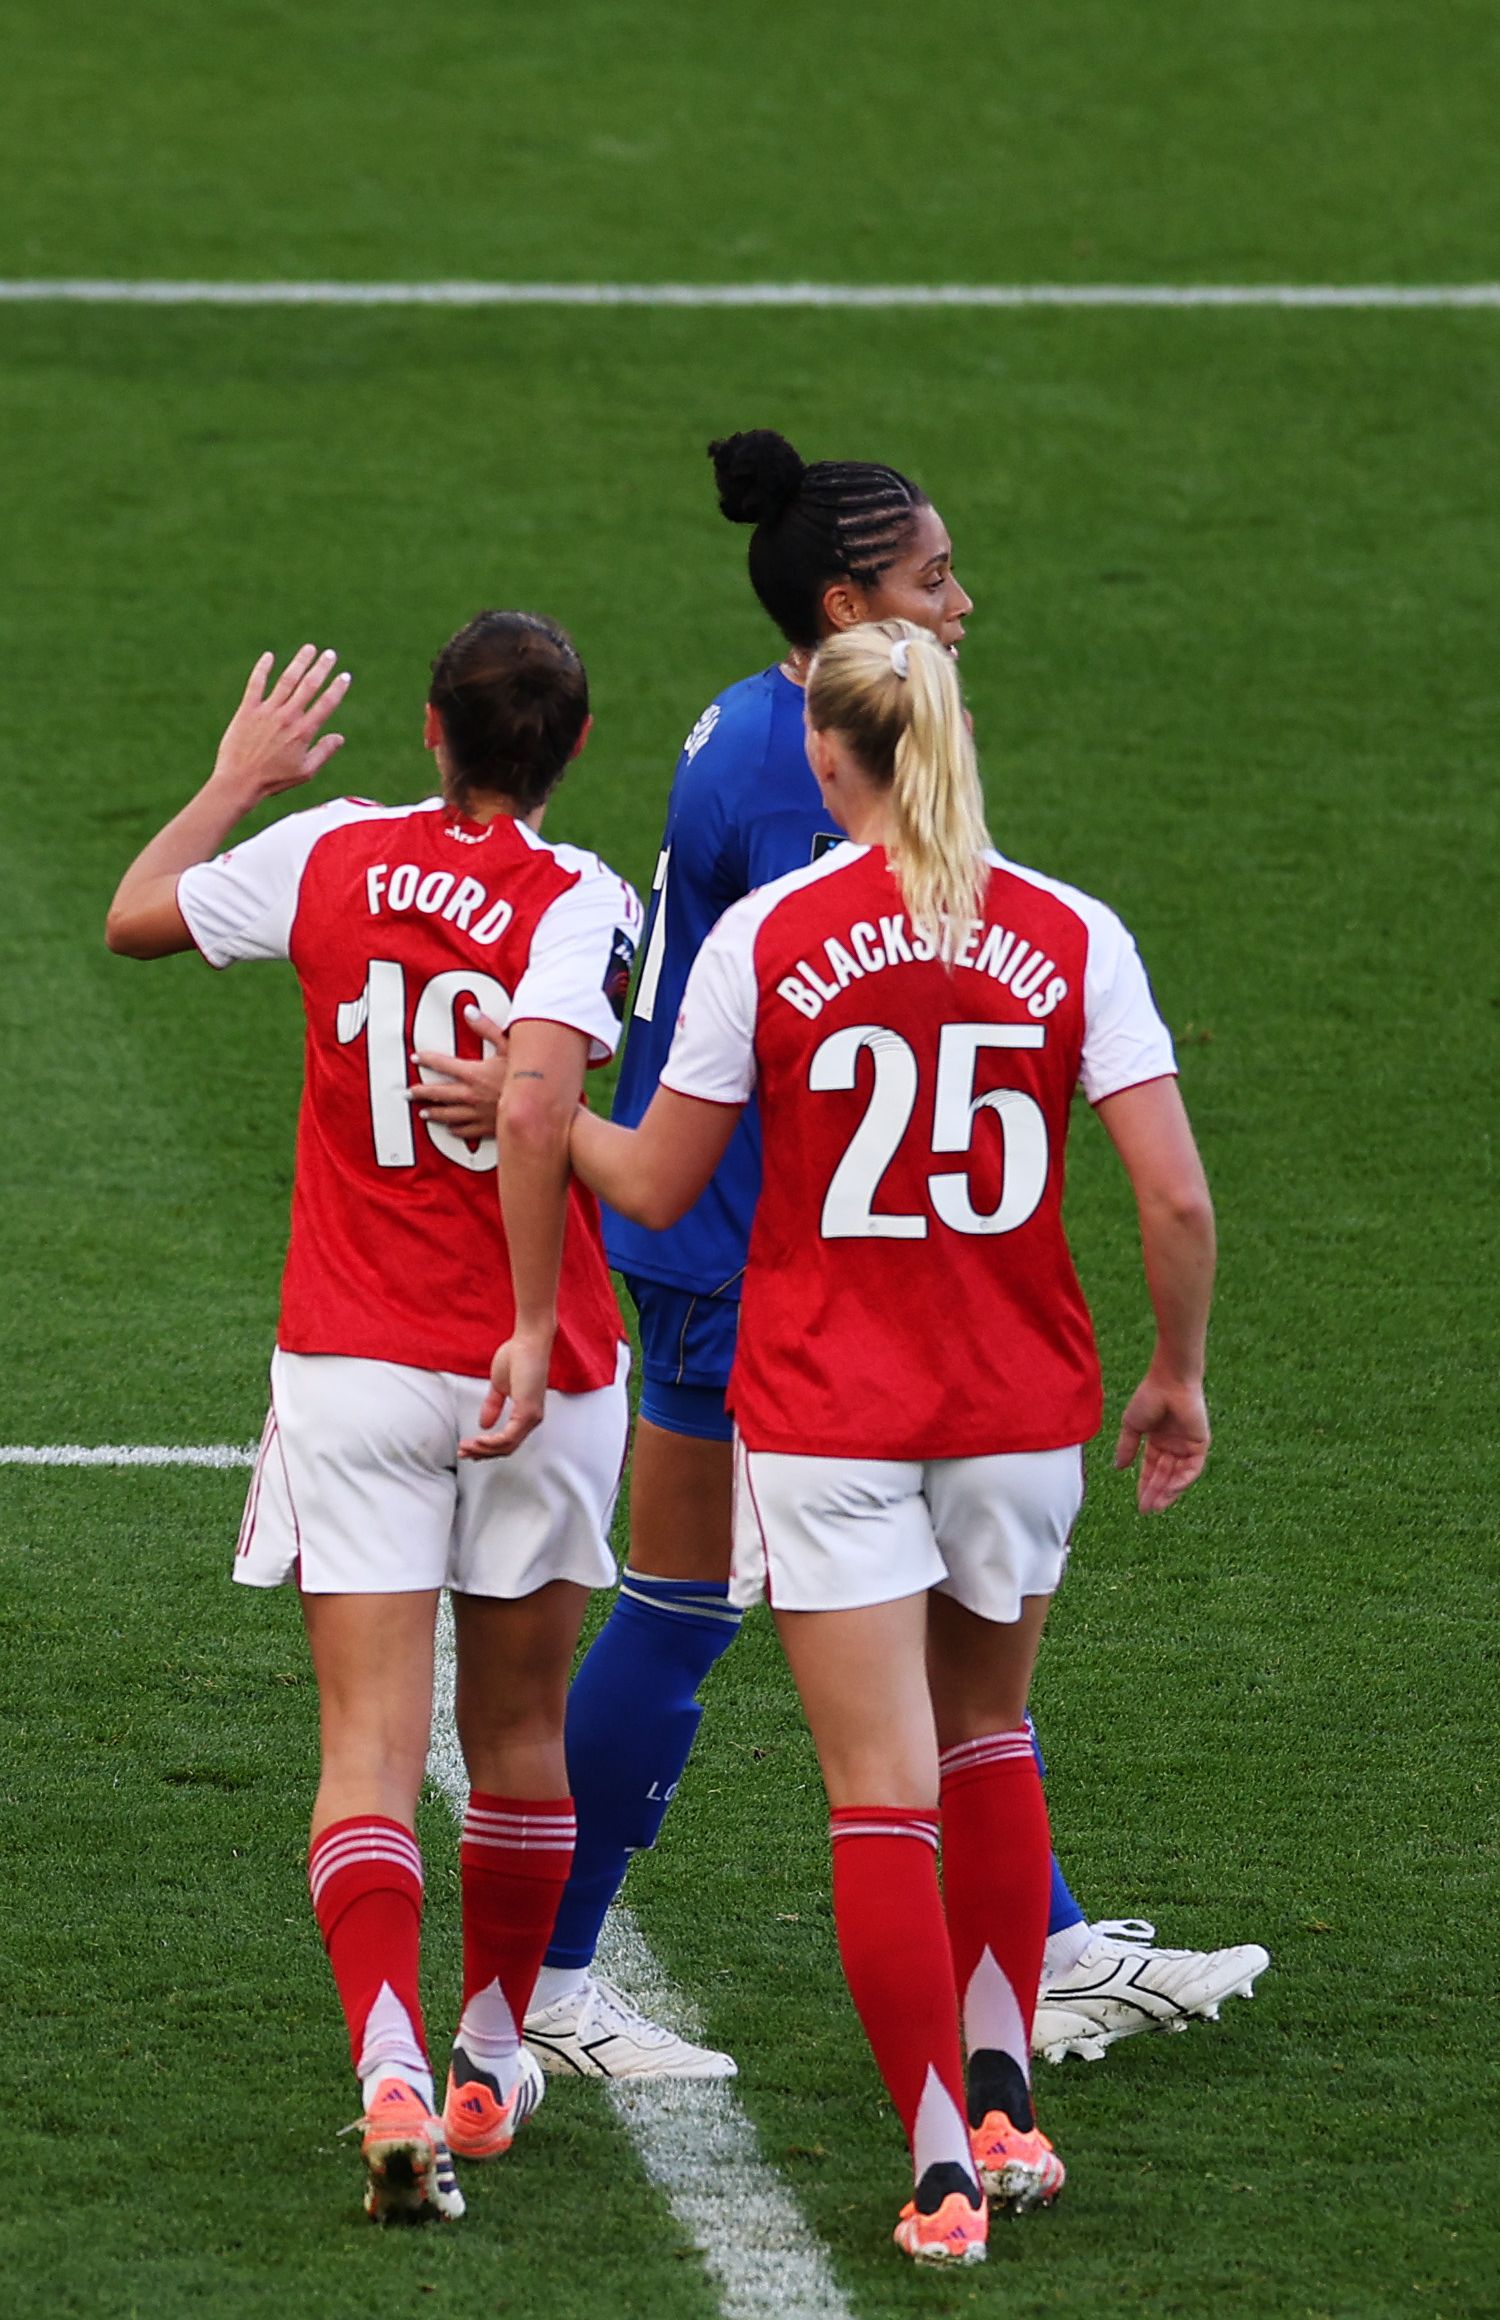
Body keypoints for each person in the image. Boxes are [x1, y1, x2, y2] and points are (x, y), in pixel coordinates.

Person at [489, 431, 1262, 2079]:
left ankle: (1037, 1950)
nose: (962, 603)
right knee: (704, 1613)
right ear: (848, 602)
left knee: (853, 1641)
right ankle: (554, 1985)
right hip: (750, 1256)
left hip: (737, 1236)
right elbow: (838, 1024)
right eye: (929, 580)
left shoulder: (774, 715)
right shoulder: (804, 772)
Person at [565, 621, 1217, 2265]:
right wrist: (1178, 1377)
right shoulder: (1075, 932)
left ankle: (938, 2166)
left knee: (880, 1795)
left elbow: (649, 1185)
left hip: (828, 1410)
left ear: (830, 761)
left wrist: (531, 1114)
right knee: (990, 1732)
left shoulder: (772, 938)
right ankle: (1009, 2094)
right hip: (1016, 1409)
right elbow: (1176, 1192)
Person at [104, 615, 641, 2222]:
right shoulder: (585, 897)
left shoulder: (329, 854)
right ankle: (486, 2053)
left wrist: (230, 782)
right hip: (534, 1378)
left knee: (368, 1748)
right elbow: (541, 1103)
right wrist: (537, 1325)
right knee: (522, 1739)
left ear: (427, 731)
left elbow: (135, 915)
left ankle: (387, 2060)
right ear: (574, 749)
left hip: (349, 1363)